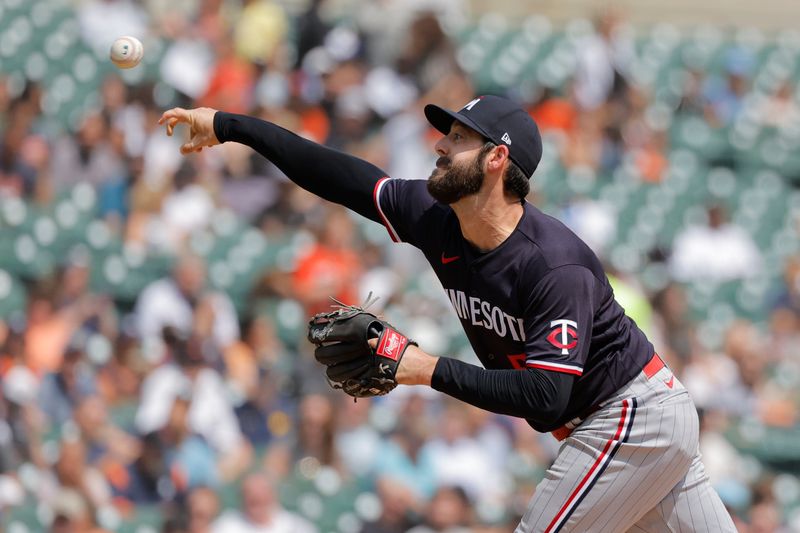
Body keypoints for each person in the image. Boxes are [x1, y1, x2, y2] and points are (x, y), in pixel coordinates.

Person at [159, 95, 736, 531]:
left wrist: (421, 367)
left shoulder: (553, 266)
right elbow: (339, 177)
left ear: (496, 158)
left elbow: (545, 396)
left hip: (632, 414)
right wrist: (231, 127)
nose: (440, 144)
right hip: (621, 423)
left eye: (459, 137)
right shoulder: (438, 218)